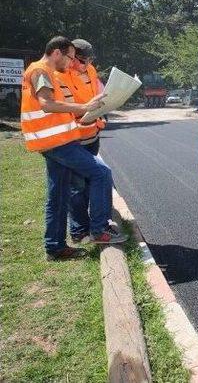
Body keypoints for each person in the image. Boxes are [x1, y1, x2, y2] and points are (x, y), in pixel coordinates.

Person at [20, 36, 126, 261]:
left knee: (57, 195)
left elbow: (61, 105)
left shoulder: (46, 72)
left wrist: (89, 106)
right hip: (57, 143)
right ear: (56, 52)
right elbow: (47, 104)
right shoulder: (41, 72)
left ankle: (55, 248)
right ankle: (99, 230)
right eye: (69, 57)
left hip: (56, 141)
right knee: (101, 173)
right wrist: (84, 106)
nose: (70, 63)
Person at [54, 39, 106, 244]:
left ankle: (89, 227)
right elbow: (65, 107)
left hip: (92, 135)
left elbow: (99, 93)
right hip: (74, 139)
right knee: (77, 187)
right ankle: (79, 231)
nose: (86, 65)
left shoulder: (91, 71)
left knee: (89, 183)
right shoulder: (61, 76)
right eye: (82, 61)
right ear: (71, 57)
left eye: (89, 60)